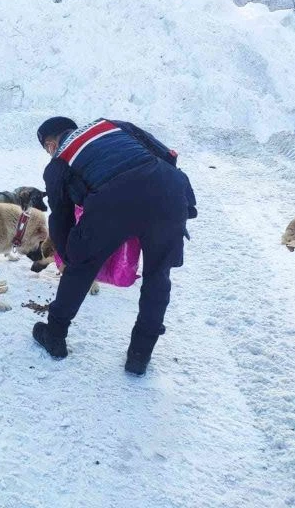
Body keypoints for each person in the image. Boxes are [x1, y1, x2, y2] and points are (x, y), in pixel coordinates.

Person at [32, 117, 196, 375]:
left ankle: (54, 335)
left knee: (80, 264)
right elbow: (166, 154)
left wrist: (69, 257)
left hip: (113, 199)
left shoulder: (58, 163)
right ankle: (140, 355)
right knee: (158, 275)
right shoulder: (110, 125)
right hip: (168, 189)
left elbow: (60, 219)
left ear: (51, 145)